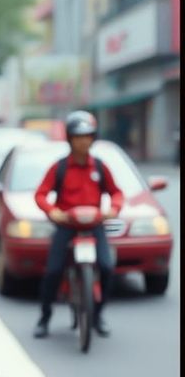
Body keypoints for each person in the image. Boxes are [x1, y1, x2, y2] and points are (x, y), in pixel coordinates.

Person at [31, 110, 123, 340]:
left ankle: (98, 315)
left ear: (93, 138)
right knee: (52, 271)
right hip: (67, 226)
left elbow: (116, 192)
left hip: (94, 226)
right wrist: (54, 212)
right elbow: (41, 194)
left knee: (107, 266)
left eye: (88, 136)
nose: (83, 141)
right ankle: (44, 317)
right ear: (70, 139)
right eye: (78, 136)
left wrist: (113, 209)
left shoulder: (100, 167)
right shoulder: (59, 168)